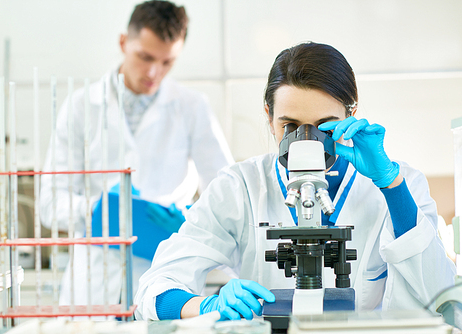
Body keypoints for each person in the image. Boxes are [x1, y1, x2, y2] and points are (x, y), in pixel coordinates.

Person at [134, 42, 456, 321]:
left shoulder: (401, 183)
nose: (307, 141)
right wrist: (205, 305)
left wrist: (390, 183)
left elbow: (442, 297)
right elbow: (154, 290)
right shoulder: (241, 187)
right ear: (268, 115)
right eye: (290, 127)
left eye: (325, 127)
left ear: (351, 113)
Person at [40, 0, 234, 307]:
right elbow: (50, 204)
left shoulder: (192, 107)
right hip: (93, 284)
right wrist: (102, 211)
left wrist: (188, 223)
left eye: (167, 62)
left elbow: (227, 198)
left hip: (167, 276)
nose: (154, 72)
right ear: (123, 43)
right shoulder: (80, 107)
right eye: (145, 57)